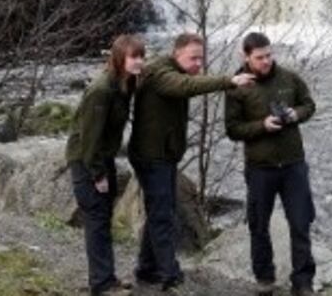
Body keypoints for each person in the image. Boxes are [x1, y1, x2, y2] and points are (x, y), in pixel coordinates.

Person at [128, 32, 255, 290]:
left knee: (160, 210)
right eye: (193, 58)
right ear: (177, 53)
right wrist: (229, 81)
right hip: (151, 156)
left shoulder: (171, 69)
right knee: (163, 214)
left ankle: (146, 268)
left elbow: (187, 84)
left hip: (162, 154)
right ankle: (169, 273)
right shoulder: (161, 73)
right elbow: (184, 86)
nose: (198, 63)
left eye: (201, 58)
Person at [224, 32, 317, 296]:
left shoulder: (289, 78)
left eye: (268, 55)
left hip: (293, 165)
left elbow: (309, 105)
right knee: (258, 226)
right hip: (260, 168)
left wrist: (295, 114)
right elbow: (232, 129)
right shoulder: (237, 86)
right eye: (259, 57)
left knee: (300, 223)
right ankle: (264, 279)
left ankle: (303, 282)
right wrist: (262, 126)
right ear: (245, 56)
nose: (266, 61)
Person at [66, 34, 146, 296]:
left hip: (103, 156)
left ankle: (106, 278)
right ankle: (101, 284)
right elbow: (90, 138)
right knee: (97, 219)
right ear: (120, 58)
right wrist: (97, 174)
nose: (139, 61)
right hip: (86, 160)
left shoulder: (125, 82)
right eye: (134, 57)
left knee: (103, 217)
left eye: (141, 56)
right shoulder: (101, 90)